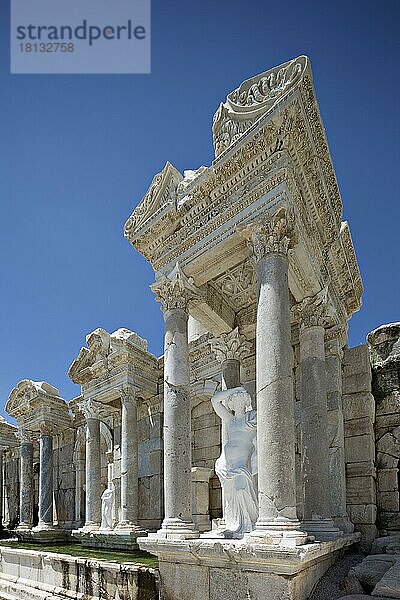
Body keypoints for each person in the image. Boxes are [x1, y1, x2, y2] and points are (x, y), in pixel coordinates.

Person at [211, 386, 258, 538]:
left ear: (245, 401)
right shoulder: (229, 420)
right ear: (230, 403)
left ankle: (248, 524)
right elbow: (215, 400)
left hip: (242, 463)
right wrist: (234, 390)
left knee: (241, 490)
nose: (237, 402)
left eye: (240, 399)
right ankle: (234, 524)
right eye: (234, 400)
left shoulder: (251, 417)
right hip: (226, 464)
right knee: (230, 497)